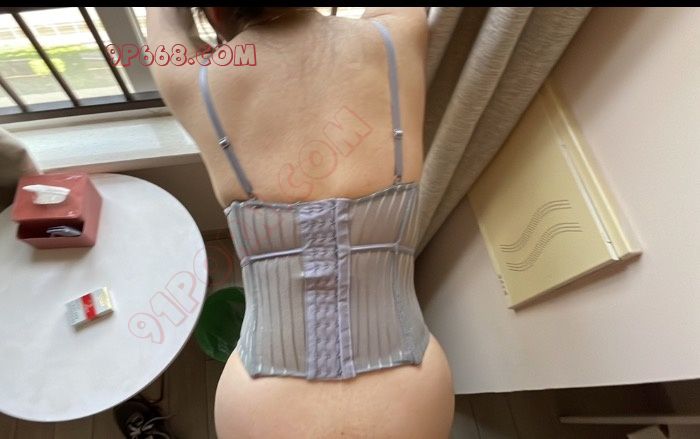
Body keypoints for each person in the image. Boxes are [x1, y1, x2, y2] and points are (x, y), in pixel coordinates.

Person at [146, 7, 454, 438]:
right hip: (411, 392)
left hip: (263, 402)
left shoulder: (194, 83)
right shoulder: (397, 35)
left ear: (213, 13)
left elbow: (162, 19)